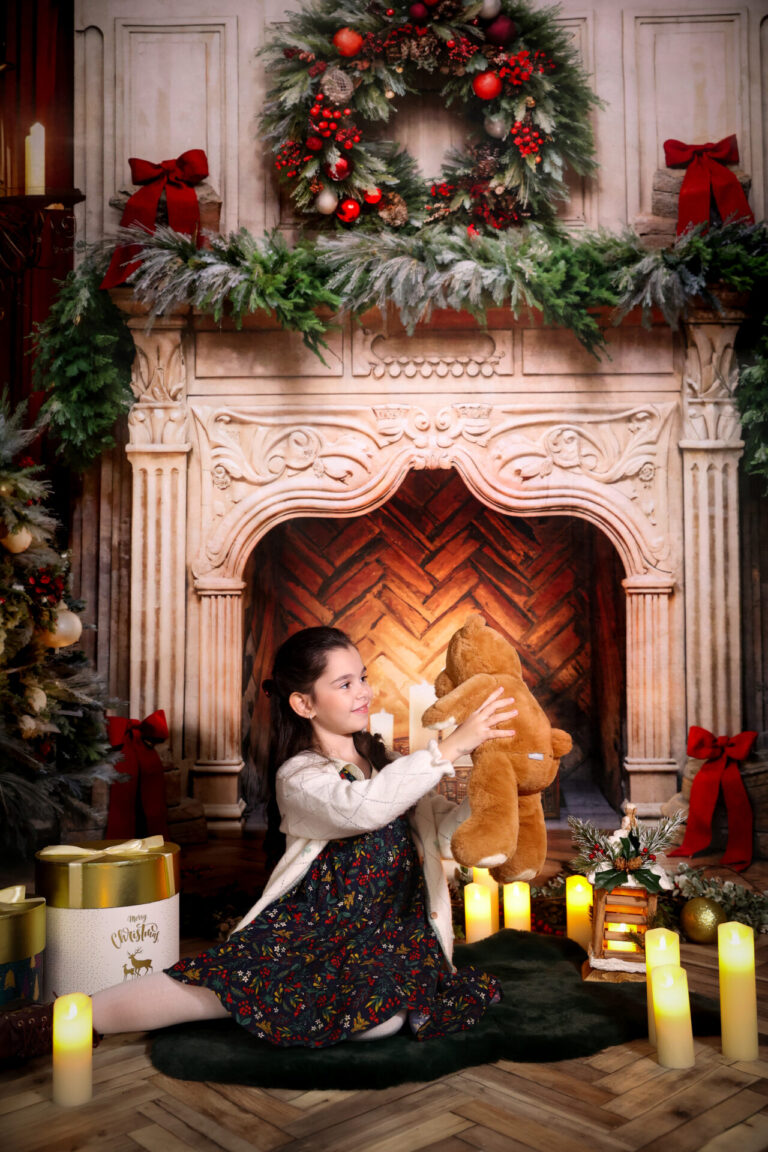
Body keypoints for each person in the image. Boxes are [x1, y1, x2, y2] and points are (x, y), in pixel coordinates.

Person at [1, 626, 517, 1060]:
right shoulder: (301, 775)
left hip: (387, 931)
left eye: (362, 677)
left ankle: (316, 999)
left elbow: (444, 831)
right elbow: (365, 810)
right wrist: (447, 747)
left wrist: (498, 796)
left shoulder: (386, 764)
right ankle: (52, 1023)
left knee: (382, 1019)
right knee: (216, 985)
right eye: (344, 683)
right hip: (311, 928)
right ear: (303, 702)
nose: (363, 691)